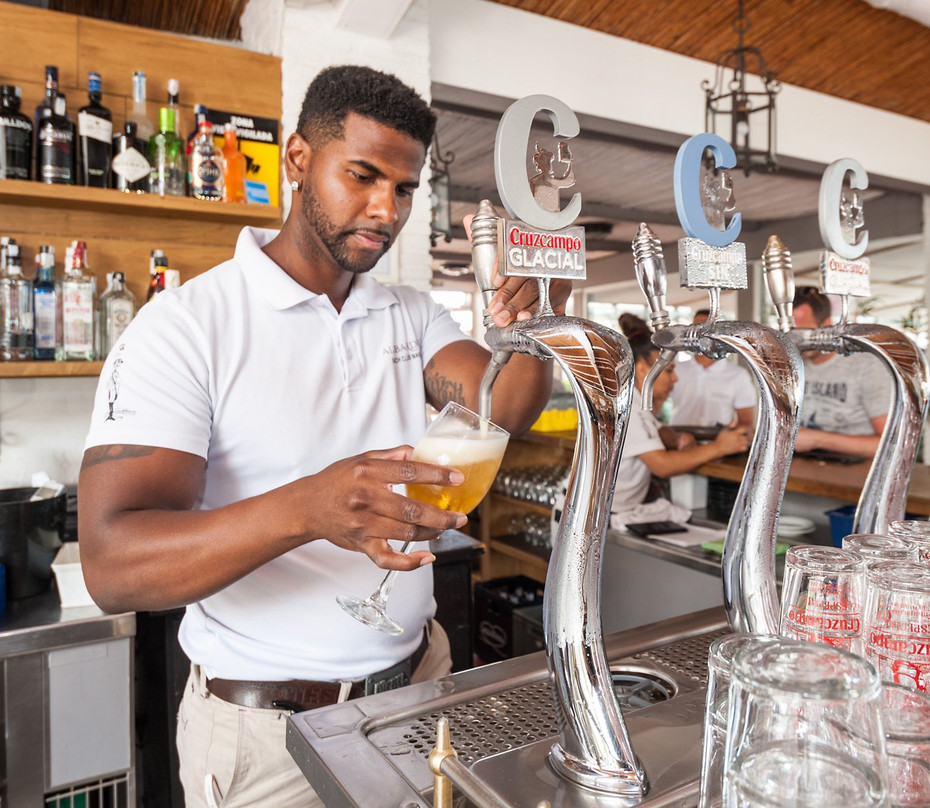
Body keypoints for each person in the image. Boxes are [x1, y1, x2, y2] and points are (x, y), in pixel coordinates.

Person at [77, 65, 566, 808]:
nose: (384, 209)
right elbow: (113, 565)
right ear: (298, 159)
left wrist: (529, 329)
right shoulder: (186, 327)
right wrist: (309, 508)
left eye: (404, 189)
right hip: (269, 738)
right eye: (363, 176)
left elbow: (504, 408)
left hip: (419, 695)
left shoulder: (410, 315)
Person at [612, 314, 749, 514]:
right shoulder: (628, 407)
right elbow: (662, 465)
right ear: (642, 369)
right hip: (593, 517)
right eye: (669, 372)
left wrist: (676, 438)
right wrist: (719, 447)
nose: (675, 379)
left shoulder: (635, 401)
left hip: (608, 512)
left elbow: (657, 431)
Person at [791, 286, 891, 459]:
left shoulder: (867, 366)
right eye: (791, 333)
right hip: (801, 472)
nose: (796, 340)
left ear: (827, 325)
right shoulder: (792, 364)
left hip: (854, 477)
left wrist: (817, 440)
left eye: (804, 332)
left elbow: (889, 444)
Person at [669, 308, 756, 431]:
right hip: (677, 441)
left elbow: (746, 422)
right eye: (694, 329)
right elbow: (654, 402)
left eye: (704, 329)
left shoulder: (738, 375)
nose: (698, 334)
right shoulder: (676, 369)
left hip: (718, 443)